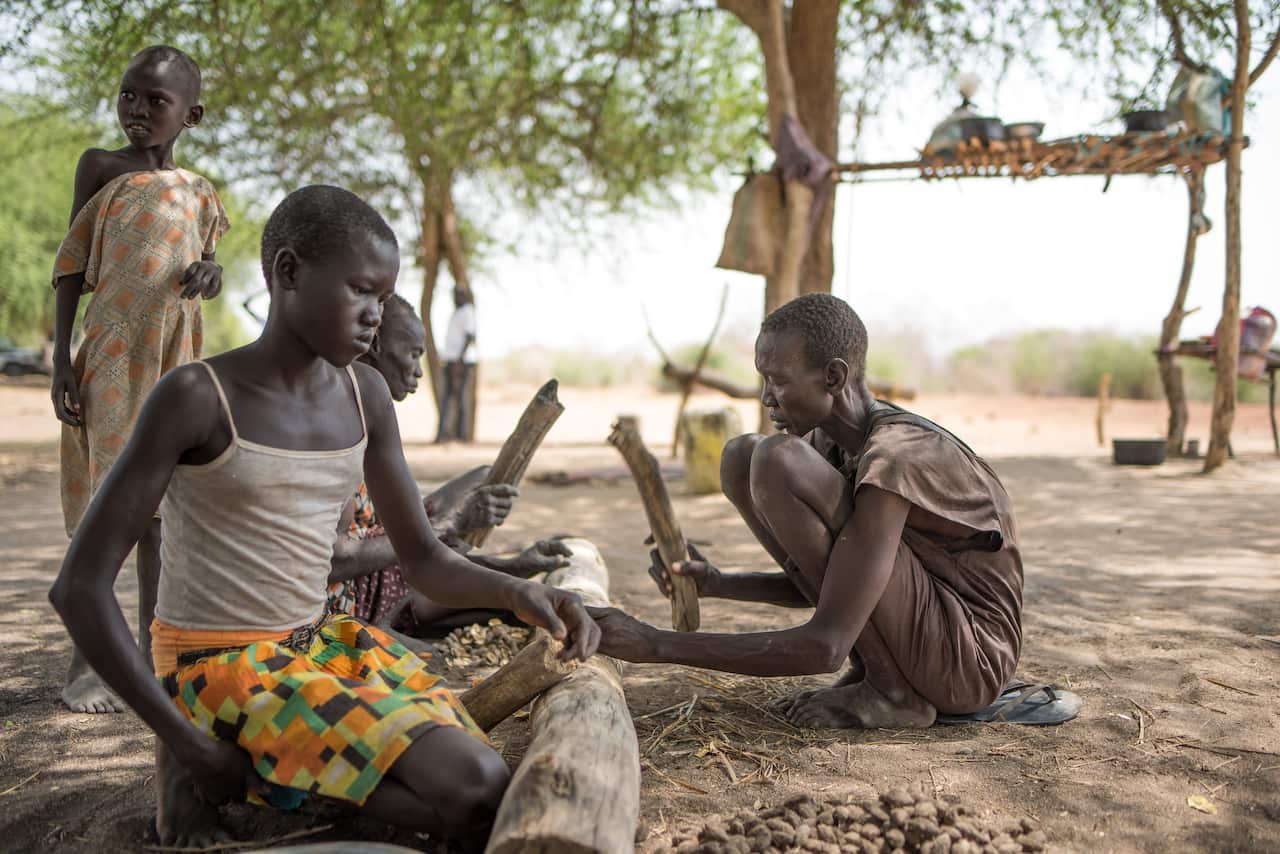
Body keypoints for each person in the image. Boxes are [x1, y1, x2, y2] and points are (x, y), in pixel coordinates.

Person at [49, 185, 599, 849]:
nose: (375, 316)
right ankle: (239, 784)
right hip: (219, 670)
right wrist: (185, 744)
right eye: (361, 291)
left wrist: (521, 593)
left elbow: (423, 557)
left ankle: (279, 790)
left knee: (478, 788)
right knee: (475, 787)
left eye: (385, 298)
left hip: (321, 648)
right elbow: (79, 587)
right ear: (288, 272)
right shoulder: (197, 397)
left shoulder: (364, 395)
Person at [590, 293, 1022, 729]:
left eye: (777, 380)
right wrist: (719, 583)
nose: (765, 398)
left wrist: (652, 644)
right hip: (927, 638)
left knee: (776, 458)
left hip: (969, 662)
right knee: (743, 455)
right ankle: (880, 673)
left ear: (834, 376)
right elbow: (841, 585)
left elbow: (826, 645)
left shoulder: (896, 457)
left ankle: (894, 693)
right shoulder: (829, 443)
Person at [48, 45, 230, 714]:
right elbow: (71, 265)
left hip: (174, 367)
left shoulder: (200, 191)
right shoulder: (101, 168)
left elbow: (207, 266)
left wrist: (213, 274)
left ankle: (157, 661)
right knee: (109, 506)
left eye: (156, 101)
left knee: (162, 515)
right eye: (129, 95)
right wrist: (63, 358)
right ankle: (85, 668)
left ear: (193, 115)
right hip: (113, 361)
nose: (137, 110)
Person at [329, 294, 571, 639]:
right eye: (412, 355)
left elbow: (398, 532)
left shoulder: (368, 416)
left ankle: (506, 587)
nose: (417, 372)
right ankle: (384, 629)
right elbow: (341, 559)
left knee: (480, 479)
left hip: (383, 575)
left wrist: (510, 566)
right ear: (376, 344)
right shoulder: (337, 422)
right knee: (435, 548)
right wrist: (451, 522)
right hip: (339, 601)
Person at [435, 285, 477, 442]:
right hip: (451, 359)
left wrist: (459, 360)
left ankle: (462, 435)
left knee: (460, 398)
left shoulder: (467, 312)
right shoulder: (457, 312)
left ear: (465, 296)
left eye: (459, 295)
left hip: (461, 361)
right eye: (455, 295)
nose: (455, 298)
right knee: (448, 397)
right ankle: (446, 433)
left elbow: (469, 336)